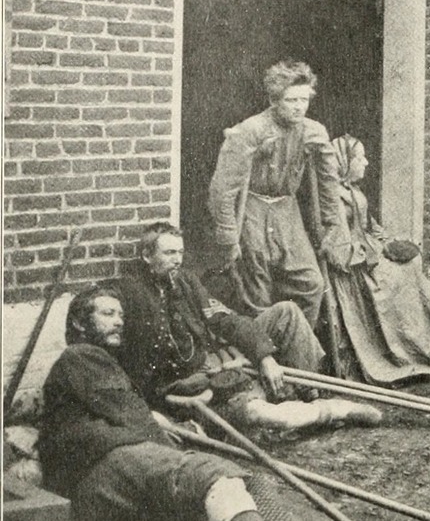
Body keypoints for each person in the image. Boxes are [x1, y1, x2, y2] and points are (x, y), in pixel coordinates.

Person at [37, 285, 321, 521]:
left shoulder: (98, 361)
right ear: (78, 322)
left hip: (116, 464)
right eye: (108, 314)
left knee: (238, 481)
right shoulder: (81, 356)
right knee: (213, 478)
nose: (119, 321)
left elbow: (130, 413)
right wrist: (178, 456)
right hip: (98, 464)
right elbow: (131, 416)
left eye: (121, 315)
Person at [113, 222, 381, 432]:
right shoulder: (130, 296)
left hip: (214, 357)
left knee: (285, 312)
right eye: (169, 253)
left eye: (180, 252)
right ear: (147, 256)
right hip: (190, 382)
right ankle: (322, 409)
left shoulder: (186, 281)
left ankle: (310, 394)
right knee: (261, 413)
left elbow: (224, 319)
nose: (177, 260)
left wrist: (263, 355)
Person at [317, 135, 430, 384]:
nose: (366, 162)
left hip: (369, 254)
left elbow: (370, 227)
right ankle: (406, 351)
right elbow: (336, 244)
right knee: (397, 278)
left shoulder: (354, 191)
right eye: (359, 158)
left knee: (411, 266)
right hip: (353, 267)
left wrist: (388, 243)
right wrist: (369, 255)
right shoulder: (333, 199)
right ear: (343, 162)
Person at [209, 60, 337, 329]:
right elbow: (223, 189)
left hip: (286, 212)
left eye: (304, 99)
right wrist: (229, 237)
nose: (299, 106)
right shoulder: (250, 130)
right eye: (291, 100)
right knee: (258, 291)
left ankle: (297, 347)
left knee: (312, 285)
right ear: (274, 100)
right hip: (252, 210)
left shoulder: (314, 131)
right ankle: (266, 357)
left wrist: (331, 226)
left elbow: (328, 183)